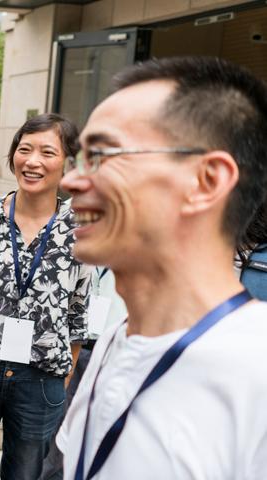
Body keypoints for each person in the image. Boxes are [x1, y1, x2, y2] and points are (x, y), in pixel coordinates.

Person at [56, 56, 267, 478]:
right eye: (78, 159)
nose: (70, 181)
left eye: (101, 155)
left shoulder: (255, 371)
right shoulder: (115, 343)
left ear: (206, 180)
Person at [0, 113, 92, 480]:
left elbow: (80, 311)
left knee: (27, 474)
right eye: (24, 149)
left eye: (47, 152)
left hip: (42, 377)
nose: (32, 161)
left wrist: (63, 374)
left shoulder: (81, 226)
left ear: (68, 162)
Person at [38, 266, 127, 480]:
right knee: (60, 414)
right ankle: (49, 473)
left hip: (110, 347)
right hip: (74, 346)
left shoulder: (125, 257)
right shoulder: (83, 253)